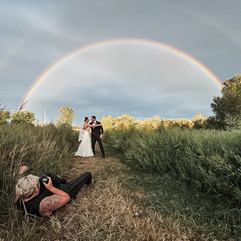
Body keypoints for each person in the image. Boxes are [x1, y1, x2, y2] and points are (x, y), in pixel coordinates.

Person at [15, 165, 92, 217]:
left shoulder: (20, 194)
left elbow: (19, 183)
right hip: (64, 192)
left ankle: (61, 180)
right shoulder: (44, 204)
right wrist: (51, 188)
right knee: (87, 174)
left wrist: (20, 173)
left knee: (47, 175)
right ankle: (88, 181)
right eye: (37, 184)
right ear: (35, 189)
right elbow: (66, 197)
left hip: (50, 192)